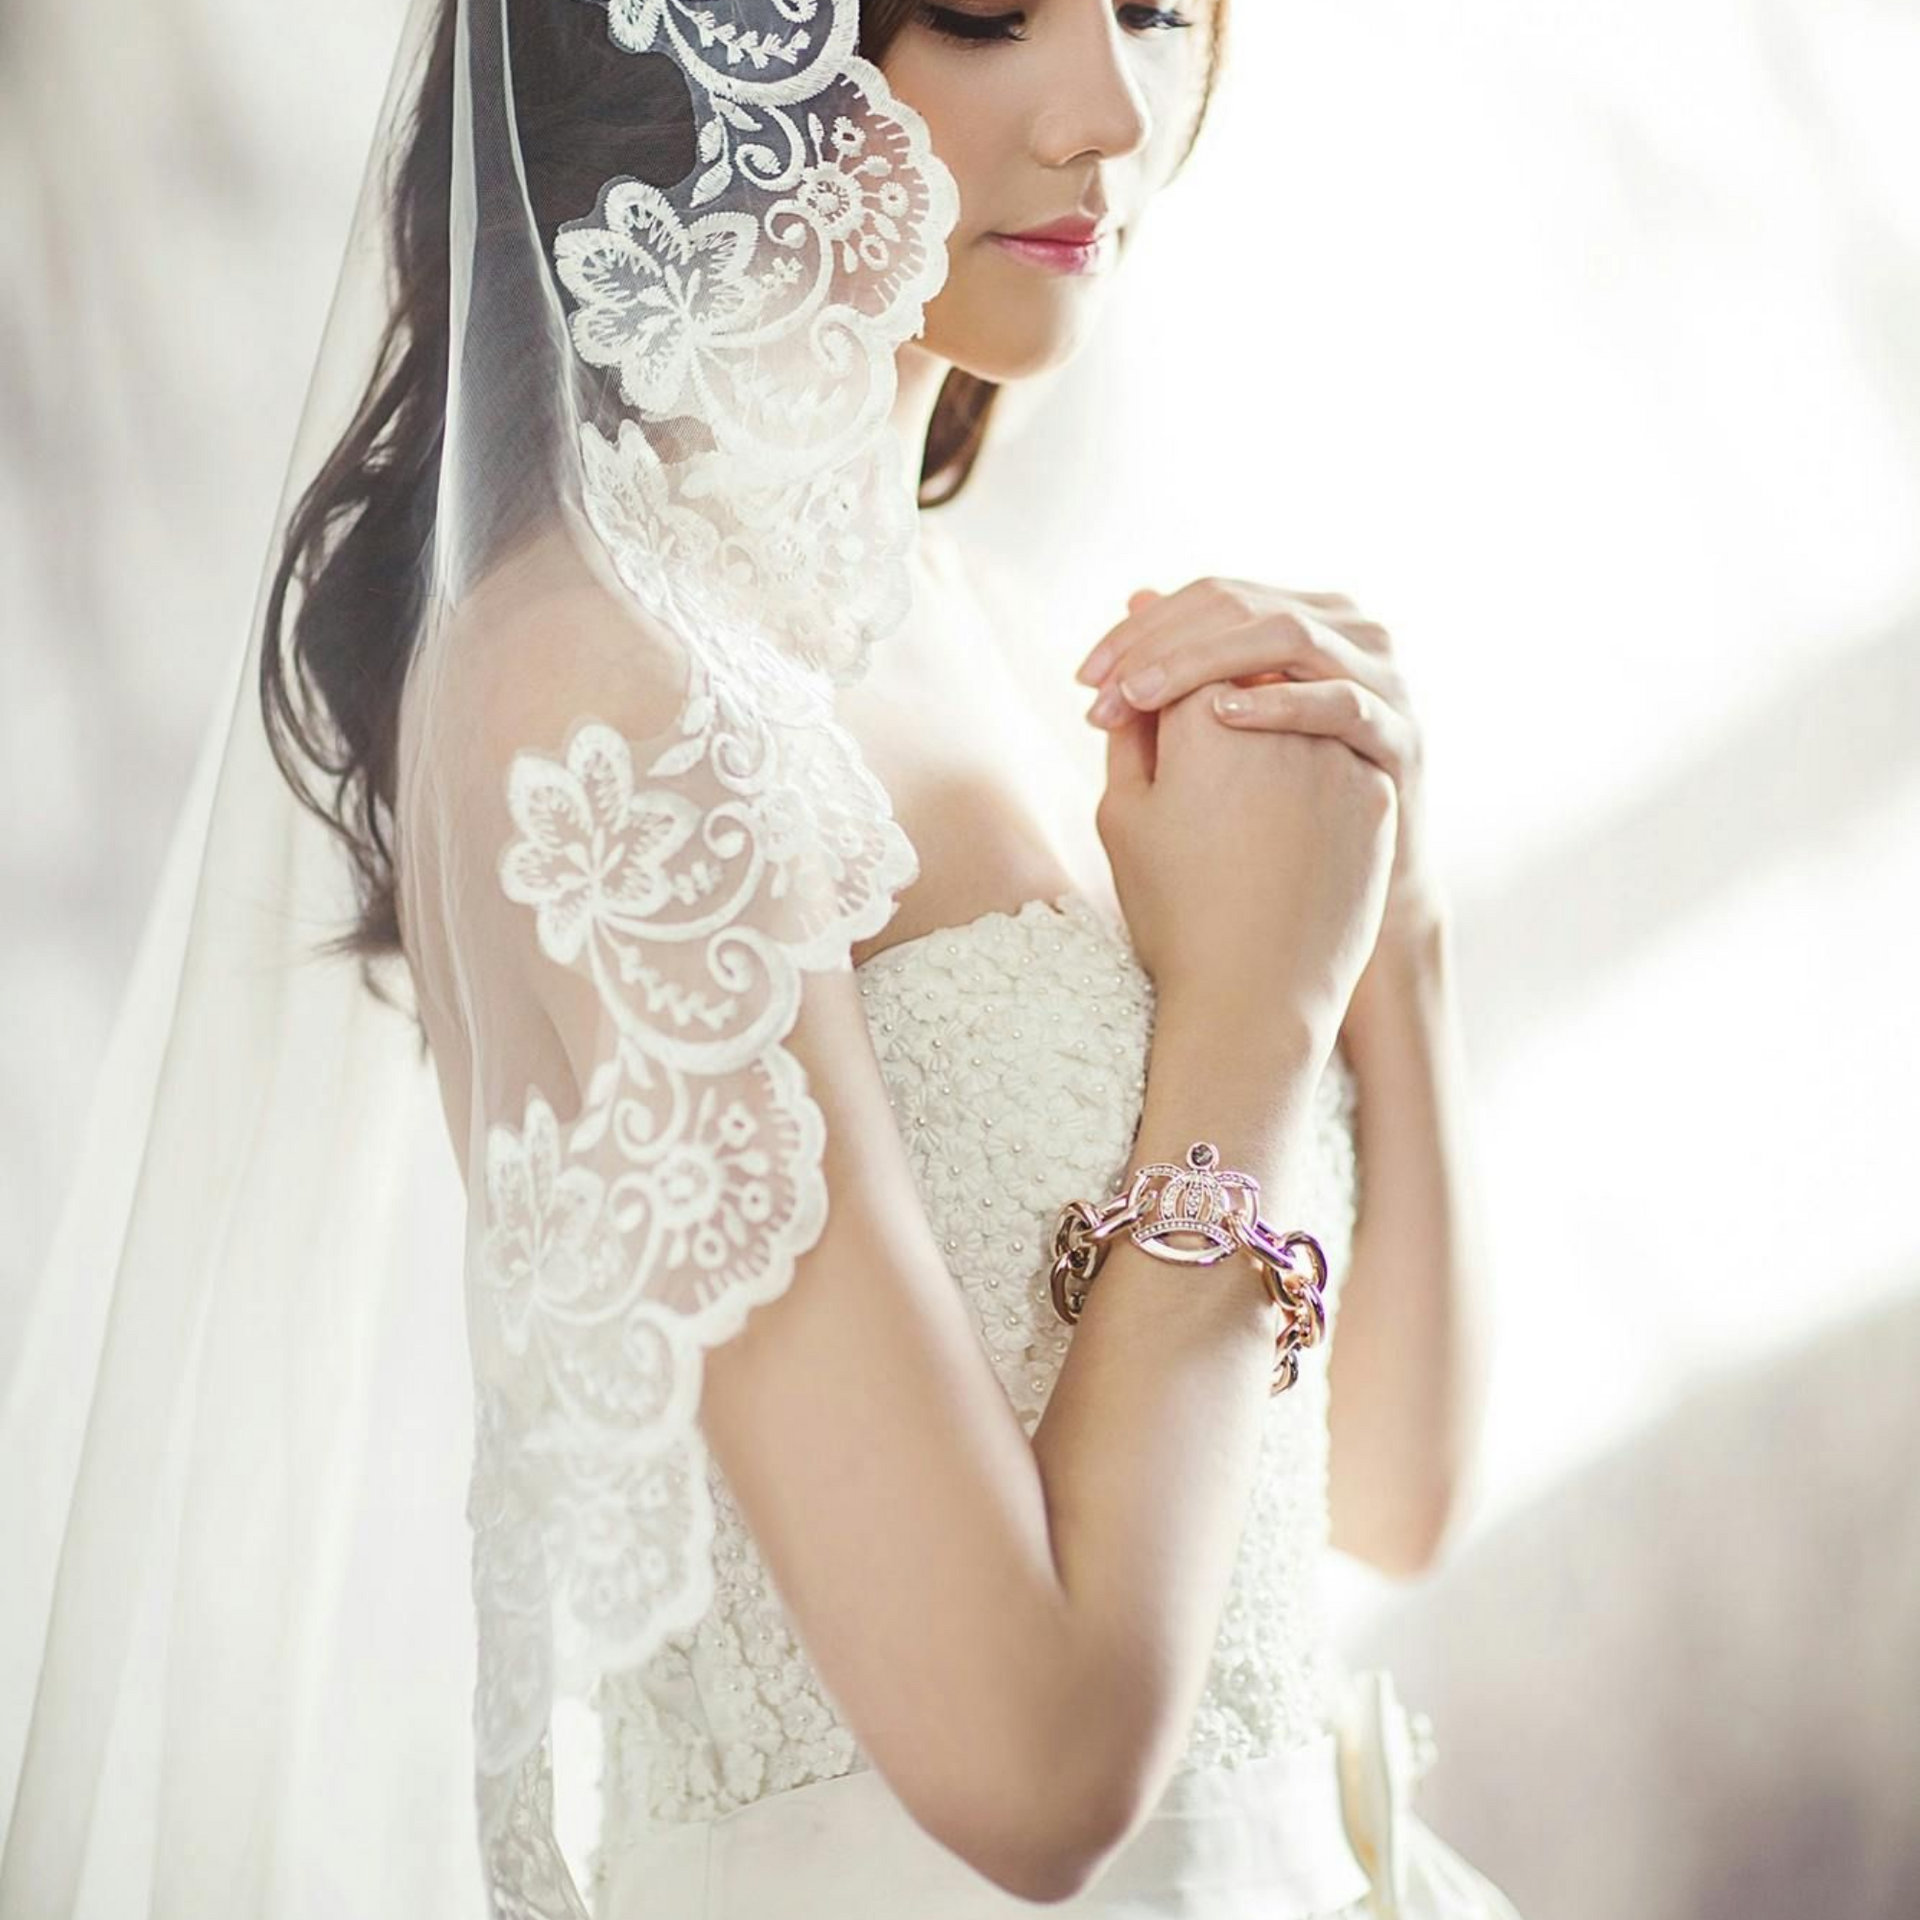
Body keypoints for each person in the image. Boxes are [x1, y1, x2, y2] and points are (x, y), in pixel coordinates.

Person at [0, 2, 1525, 1915]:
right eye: (984, 12)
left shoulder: (996, 628)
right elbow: (1033, 1774)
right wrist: (1251, 1010)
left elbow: (1385, 1489)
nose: (1112, 110)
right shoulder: (601, 686)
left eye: (1150, 5)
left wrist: (1396, 921)